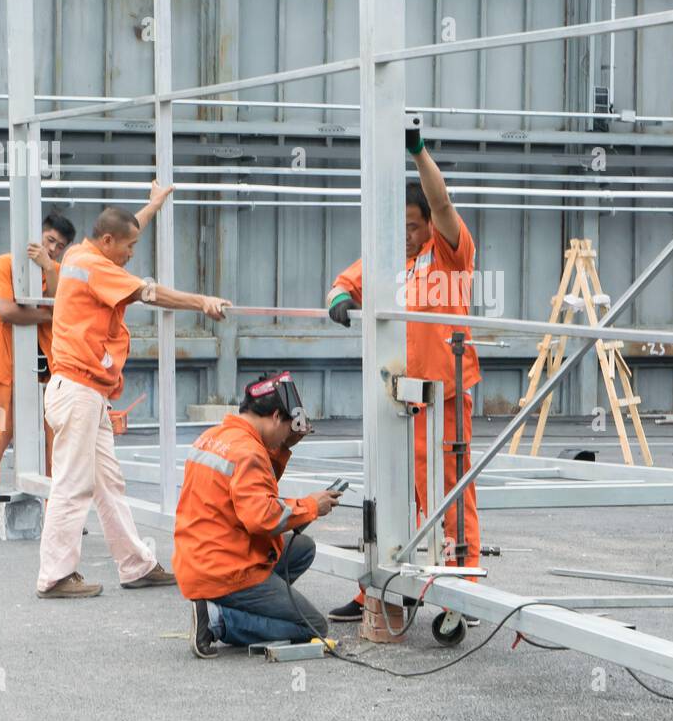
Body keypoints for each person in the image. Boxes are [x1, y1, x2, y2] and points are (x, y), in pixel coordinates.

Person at [35, 182, 233, 599]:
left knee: (108, 483)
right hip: (80, 391)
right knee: (73, 484)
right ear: (108, 242)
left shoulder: (79, 254)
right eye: (128, 248)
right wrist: (203, 302)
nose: (132, 254)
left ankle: (136, 564)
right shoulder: (99, 266)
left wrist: (153, 205)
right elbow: (151, 293)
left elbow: (126, 228)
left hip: (83, 392)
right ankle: (54, 575)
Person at [324, 123, 482, 623]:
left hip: (443, 394)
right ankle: (382, 579)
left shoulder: (449, 252)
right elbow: (343, 283)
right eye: (400, 227)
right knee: (388, 487)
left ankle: (462, 583)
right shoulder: (393, 259)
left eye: (412, 226)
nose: (406, 235)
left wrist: (417, 152)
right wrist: (339, 300)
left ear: (427, 225)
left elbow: (442, 204)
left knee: (449, 490)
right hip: (395, 396)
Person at [174, 372, 341, 657]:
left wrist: (282, 448)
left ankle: (244, 605)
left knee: (302, 548)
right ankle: (218, 620)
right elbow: (262, 517)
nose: (288, 434)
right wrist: (312, 505)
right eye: (288, 428)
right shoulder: (249, 451)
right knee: (313, 628)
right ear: (277, 416)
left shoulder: (214, 436)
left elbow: (254, 491)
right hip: (225, 568)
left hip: (201, 556)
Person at [0, 213, 73, 530]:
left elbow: (69, 307)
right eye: (49, 241)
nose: (52, 250)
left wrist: (49, 269)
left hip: (49, 375)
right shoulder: (4, 265)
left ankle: (59, 519)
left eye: (59, 247)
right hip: (6, 373)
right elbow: (6, 310)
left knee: (58, 450)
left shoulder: (58, 272)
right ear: (36, 237)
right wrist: (48, 316)